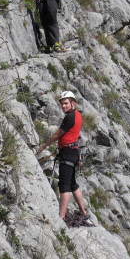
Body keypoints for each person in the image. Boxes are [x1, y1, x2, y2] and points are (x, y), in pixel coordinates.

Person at [37, 91, 87, 220]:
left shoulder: (70, 117)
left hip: (68, 153)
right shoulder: (78, 115)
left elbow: (57, 134)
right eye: (62, 104)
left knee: (64, 185)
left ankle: (61, 217)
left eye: (65, 103)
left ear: (72, 103)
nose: (63, 106)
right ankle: (83, 212)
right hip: (73, 152)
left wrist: (44, 145)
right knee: (72, 183)